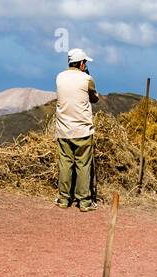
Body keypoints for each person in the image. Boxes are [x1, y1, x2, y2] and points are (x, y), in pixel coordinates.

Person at [55, 48, 99, 211]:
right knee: (83, 164)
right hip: (82, 129)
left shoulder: (59, 77)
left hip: (63, 129)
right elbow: (95, 98)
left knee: (65, 163)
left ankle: (63, 199)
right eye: (85, 62)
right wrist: (87, 75)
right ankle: (84, 201)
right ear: (81, 63)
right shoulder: (87, 78)